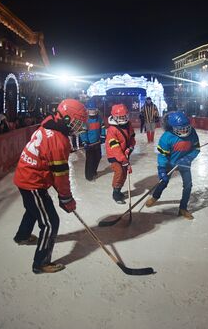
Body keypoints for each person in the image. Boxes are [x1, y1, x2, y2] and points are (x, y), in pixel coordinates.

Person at [13, 99, 87, 274]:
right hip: (33, 182)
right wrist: (66, 198)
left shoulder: (48, 126)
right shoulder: (59, 140)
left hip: (26, 177)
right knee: (50, 222)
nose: (79, 126)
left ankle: (22, 236)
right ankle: (41, 263)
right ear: (67, 119)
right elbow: (60, 175)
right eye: (77, 122)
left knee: (33, 209)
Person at [145, 111, 200, 220]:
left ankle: (183, 208)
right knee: (163, 182)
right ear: (172, 127)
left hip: (184, 164)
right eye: (180, 128)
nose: (184, 130)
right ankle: (155, 197)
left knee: (188, 186)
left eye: (186, 127)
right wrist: (161, 169)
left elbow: (196, 149)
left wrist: (187, 158)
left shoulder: (192, 133)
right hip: (169, 164)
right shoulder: (167, 137)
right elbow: (162, 156)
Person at [105, 104, 135, 204]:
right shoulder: (112, 130)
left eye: (124, 116)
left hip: (124, 154)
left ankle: (119, 189)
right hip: (114, 155)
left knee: (124, 173)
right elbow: (115, 147)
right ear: (114, 117)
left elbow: (131, 138)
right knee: (119, 172)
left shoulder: (129, 125)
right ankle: (116, 193)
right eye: (120, 117)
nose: (122, 119)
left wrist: (130, 147)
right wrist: (123, 159)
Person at [79, 100, 106, 181]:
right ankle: (89, 176)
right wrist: (85, 141)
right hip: (89, 144)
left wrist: (103, 136)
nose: (92, 111)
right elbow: (83, 132)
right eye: (91, 109)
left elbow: (103, 127)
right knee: (90, 160)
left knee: (98, 157)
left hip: (97, 142)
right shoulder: (85, 120)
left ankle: (94, 171)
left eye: (93, 109)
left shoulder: (99, 118)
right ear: (87, 110)